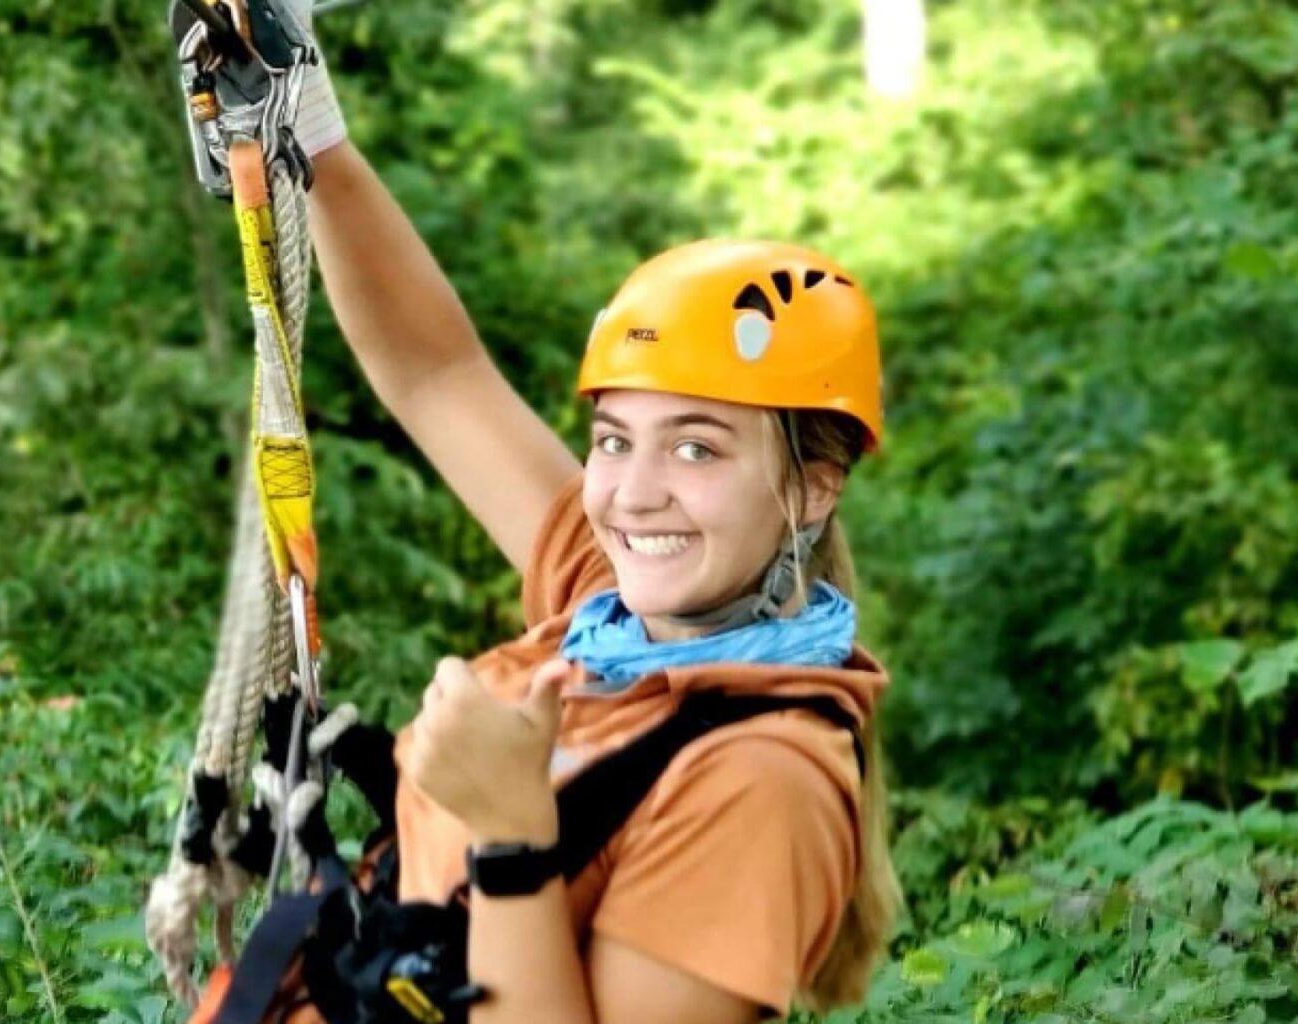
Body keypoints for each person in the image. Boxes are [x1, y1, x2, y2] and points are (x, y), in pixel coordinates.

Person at [195, 6, 900, 1020]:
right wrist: (307, 125)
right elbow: (436, 371)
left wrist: (513, 833)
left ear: (812, 484)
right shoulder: (617, 608)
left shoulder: (763, 780)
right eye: (615, 438)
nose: (632, 490)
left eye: (695, 446)